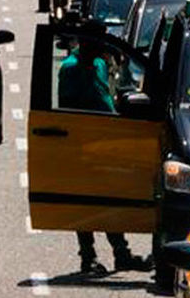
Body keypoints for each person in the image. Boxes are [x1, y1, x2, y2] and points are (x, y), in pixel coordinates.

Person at [56, 36, 153, 275]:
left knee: (111, 198)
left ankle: (122, 253)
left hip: (107, 138)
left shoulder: (99, 63)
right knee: (86, 203)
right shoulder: (70, 68)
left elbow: (107, 92)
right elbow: (67, 105)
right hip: (83, 140)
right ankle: (87, 256)